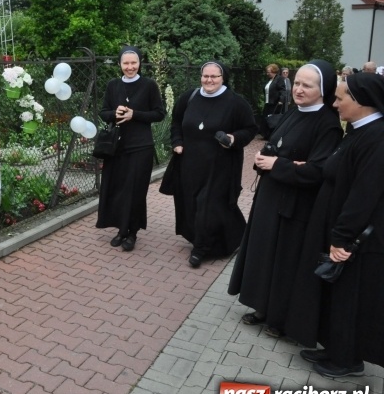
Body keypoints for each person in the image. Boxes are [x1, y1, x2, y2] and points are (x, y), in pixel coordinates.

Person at [228, 60, 342, 338]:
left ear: (323, 89)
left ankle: (279, 318)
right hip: (271, 197)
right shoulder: (295, 112)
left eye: (307, 85)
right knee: (263, 254)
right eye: (298, 84)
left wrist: (276, 165)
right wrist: (262, 159)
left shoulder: (327, 124)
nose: (299, 90)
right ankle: (261, 306)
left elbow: (317, 171)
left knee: (284, 262)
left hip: (294, 206)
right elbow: (276, 146)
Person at [295, 72, 384, 378]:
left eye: (341, 97)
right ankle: (335, 347)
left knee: (350, 299)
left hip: (356, 241)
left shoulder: (377, 137)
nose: (335, 103)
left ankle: (347, 360)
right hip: (341, 232)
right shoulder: (358, 131)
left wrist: (342, 238)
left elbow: (364, 194)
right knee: (338, 296)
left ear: (362, 103)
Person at [164, 61, 257, 268]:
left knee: (209, 205)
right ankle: (239, 234)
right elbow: (176, 123)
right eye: (205, 76)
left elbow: (250, 129)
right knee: (192, 203)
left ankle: (201, 249)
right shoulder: (189, 98)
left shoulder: (236, 103)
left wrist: (233, 139)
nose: (209, 80)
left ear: (223, 78)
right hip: (190, 164)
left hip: (221, 165)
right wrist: (177, 142)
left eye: (214, 76)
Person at [95, 46, 165, 252]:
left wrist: (135, 115)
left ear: (140, 63)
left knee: (135, 191)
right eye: (126, 63)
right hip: (116, 147)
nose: (130, 67)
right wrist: (115, 114)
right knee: (117, 189)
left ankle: (132, 232)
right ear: (119, 65)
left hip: (141, 146)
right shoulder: (113, 85)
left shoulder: (149, 85)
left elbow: (160, 113)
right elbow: (103, 112)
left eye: (133, 63)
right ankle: (121, 229)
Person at [261, 63, 286, 139]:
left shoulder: (279, 79)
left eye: (269, 72)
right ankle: (266, 135)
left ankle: (272, 135)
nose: (267, 73)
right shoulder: (269, 80)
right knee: (266, 118)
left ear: (274, 71)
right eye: (267, 72)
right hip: (268, 102)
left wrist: (281, 100)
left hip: (275, 103)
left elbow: (283, 90)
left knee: (273, 119)